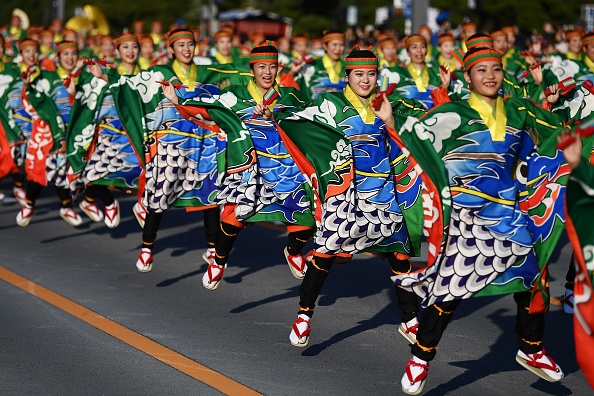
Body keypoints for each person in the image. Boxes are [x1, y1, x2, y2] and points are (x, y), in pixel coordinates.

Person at [388, 47, 569, 394]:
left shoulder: (519, 110)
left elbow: (558, 137)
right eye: (481, 70)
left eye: (496, 69)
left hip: (509, 213)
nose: (490, 76)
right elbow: (417, 142)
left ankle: (531, 348)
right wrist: (393, 123)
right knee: (451, 287)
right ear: (467, 77)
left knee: (533, 278)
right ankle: (421, 357)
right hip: (464, 215)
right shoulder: (452, 113)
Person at [274, 46, 430, 347]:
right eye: (359, 74)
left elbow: (424, 124)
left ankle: (410, 321)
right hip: (345, 193)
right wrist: (273, 115)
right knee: (325, 253)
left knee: (400, 255)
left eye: (371, 74)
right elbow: (297, 121)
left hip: (383, 193)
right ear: (348, 77)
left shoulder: (387, 104)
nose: (366, 80)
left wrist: (395, 122)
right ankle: (304, 314)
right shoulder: (329, 105)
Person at [164, 43, 316, 289]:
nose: (267, 72)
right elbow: (208, 107)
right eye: (261, 67)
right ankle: (219, 262)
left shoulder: (291, 96)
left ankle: (293, 251)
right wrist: (177, 98)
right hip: (247, 166)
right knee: (233, 220)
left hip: (284, 168)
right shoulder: (234, 95)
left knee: (306, 219)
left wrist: (275, 117)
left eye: (272, 67)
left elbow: (309, 122)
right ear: (252, 69)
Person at [105, 29, 252, 272]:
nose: (186, 49)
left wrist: (266, 66)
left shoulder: (208, 72)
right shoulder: (159, 73)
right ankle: (147, 247)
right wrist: (107, 75)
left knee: (210, 195)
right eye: (181, 45)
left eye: (190, 44)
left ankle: (213, 247)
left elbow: (241, 75)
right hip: (171, 143)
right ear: (171, 49)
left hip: (204, 143)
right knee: (160, 191)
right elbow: (130, 86)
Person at [11, 39, 82, 227]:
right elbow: (36, 105)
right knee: (40, 170)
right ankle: (29, 204)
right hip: (44, 131)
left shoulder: (77, 77)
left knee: (63, 169)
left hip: (70, 131)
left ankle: (67, 206)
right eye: (65, 54)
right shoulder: (43, 78)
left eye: (73, 53)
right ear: (57, 58)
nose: (69, 58)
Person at [381, 34, 441, 109]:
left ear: (427, 50)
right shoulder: (392, 73)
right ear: (407, 52)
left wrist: (445, 86)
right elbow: (381, 97)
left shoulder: (438, 73)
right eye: (414, 47)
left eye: (423, 46)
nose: (419, 50)